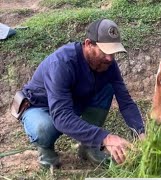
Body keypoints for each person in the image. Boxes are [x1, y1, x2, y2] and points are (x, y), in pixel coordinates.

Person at [18, 19, 145, 168]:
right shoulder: (62, 63)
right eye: (105, 51)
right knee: (44, 128)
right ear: (88, 44)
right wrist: (105, 138)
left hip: (71, 102)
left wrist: (141, 133)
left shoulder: (108, 64)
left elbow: (126, 102)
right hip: (40, 106)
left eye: (114, 52)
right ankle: (45, 149)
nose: (110, 58)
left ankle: (88, 147)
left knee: (108, 87)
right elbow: (61, 117)